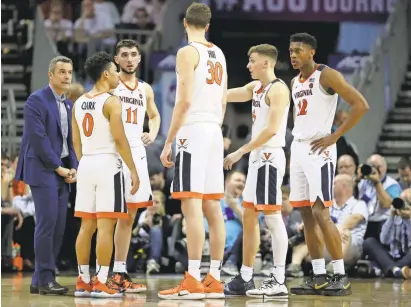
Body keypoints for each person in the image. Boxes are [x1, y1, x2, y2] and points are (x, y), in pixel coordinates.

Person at [288, 33, 369, 296]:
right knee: (306, 216)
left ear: (312, 52)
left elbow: (361, 105)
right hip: (298, 148)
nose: (293, 55)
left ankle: (341, 276)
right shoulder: (293, 81)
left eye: (298, 50)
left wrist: (335, 135)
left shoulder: (327, 75)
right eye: (290, 51)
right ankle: (319, 276)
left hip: (319, 150)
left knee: (322, 213)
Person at [158, 2, 227, 300]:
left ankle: (192, 278)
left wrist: (168, 139)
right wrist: (216, 129)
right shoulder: (219, 53)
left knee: (191, 206)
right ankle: (214, 277)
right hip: (214, 129)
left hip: (194, 129)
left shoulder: (187, 52)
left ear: (185, 23)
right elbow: (223, 98)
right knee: (213, 207)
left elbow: (183, 101)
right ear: (208, 25)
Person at [222, 44, 290, 299]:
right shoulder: (256, 88)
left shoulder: (279, 89)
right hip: (258, 158)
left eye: (252, 61)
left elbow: (272, 129)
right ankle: (247, 276)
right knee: (249, 215)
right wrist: (205, 91)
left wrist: (240, 151)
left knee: (272, 218)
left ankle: (279, 279)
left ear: (266, 63)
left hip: (270, 156)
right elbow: (232, 93)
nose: (248, 65)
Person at [72, 52, 139, 298]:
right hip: (108, 164)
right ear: (105, 74)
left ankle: (82, 280)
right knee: (105, 227)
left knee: (85, 226)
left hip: (86, 163)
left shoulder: (78, 102)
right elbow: (120, 140)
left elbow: (75, 142)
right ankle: (101, 281)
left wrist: (84, 164)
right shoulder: (112, 101)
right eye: (114, 70)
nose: (118, 75)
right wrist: (133, 169)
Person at [15, 56, 78, 295]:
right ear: (50, 75)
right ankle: (46, 280)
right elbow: (39, 140)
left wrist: (73, 166)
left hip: (62, 170)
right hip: (42, 169)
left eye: (69, 72)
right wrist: (57, 167)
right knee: (47, 224)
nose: (66, 76)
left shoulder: (68, 103)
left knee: (59, 226)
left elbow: (70, 140)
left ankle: (38, 279)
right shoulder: (36, 100)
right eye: (61, 72)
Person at [111, 39, 160, 291]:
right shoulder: (109, 85)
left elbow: (154, 115)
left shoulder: (145, 89)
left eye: (133, 54)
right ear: (116, 59)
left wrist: (152, 133)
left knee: (130, 214)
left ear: (139, 59)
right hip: (113, 151)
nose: (129, 59)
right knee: (107, 215)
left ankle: (119, 271)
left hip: (137, 152)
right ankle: (98, 272)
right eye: (124, 55)